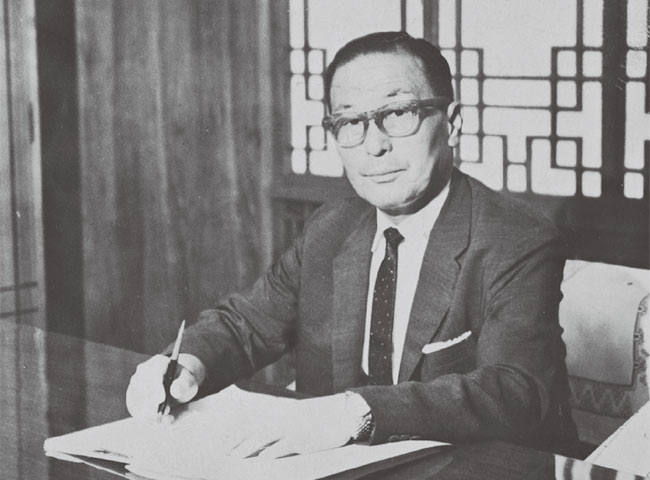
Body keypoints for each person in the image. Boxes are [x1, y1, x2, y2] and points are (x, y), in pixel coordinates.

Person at [126, 31, 577, 459]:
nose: (373, 146)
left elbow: (513, 390)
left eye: (398, 113)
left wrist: (352, 414)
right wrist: (185, 364)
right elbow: (245, 325)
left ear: (453, 123)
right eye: (350, 122)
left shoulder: (515, 239)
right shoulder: (333, 227)